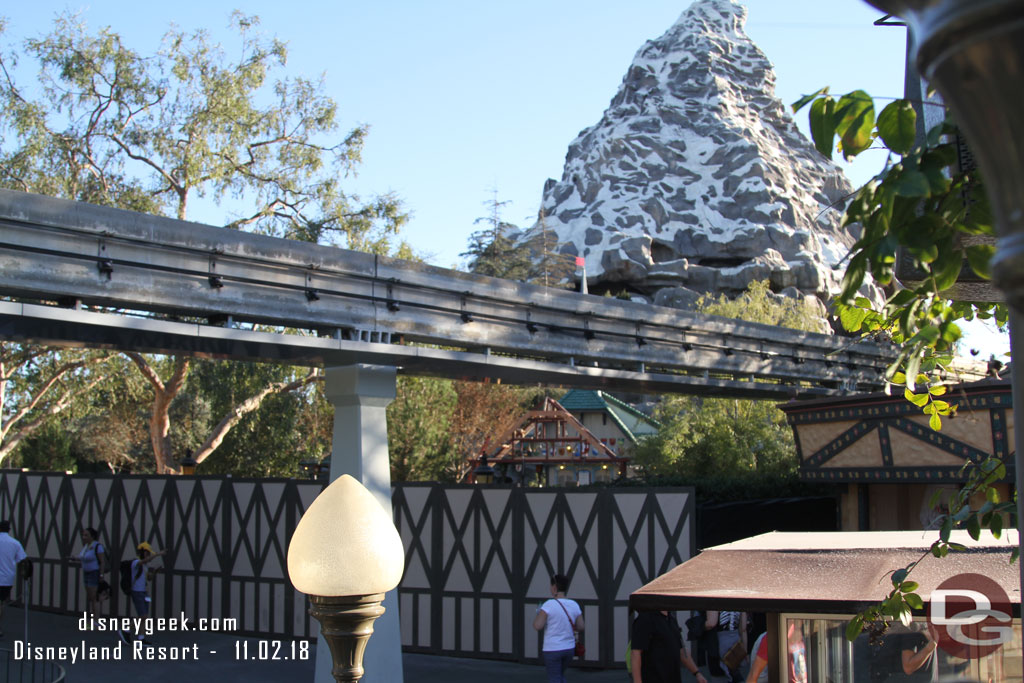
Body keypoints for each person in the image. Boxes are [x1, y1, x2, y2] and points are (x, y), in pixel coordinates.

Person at [631, 609, 707, 683]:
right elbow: (636, 652)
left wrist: (697, 673)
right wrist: (637, 681)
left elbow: (682, 651)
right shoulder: (646, 618)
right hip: (653, 678)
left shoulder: (672, 619)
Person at [533, 573, 584, 683]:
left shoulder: (548, 605)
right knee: (559, 675)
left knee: (554, 678)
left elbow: (537, 626)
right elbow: (581, 626)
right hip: (569, 648)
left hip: (552, 648)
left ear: (554, 587)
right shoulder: (574, 604)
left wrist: (539, 613)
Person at [119, 541, 167, 645]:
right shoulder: (135, 562)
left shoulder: (145, 566)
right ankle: (126, 630)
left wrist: (155, 572)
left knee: (144, 616)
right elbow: (143, 562)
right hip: (137, 592)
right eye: (148, 553)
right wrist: (158, 554)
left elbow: (149, 578)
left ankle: (141, 638)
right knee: (143, 616)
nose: (149, 555)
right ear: (143, 552)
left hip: (144, 592)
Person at [71, 527, 108, 617]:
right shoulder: (86, 546)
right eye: (83, 535)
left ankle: (96, 620)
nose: (84, 537)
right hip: (86, 572)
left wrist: (101, 575)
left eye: (86, 535)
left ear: (92, 536)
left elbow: (102, 561)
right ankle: (94, 618)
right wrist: (75, 558)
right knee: (91, 598)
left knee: (94, 597)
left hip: (93, 573)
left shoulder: (97, 546)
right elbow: (82, 558)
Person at [0, 520, 27, 638]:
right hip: (6, 578)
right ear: (9, 530)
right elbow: (22, 560)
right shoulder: (15, 543)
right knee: (1, 603)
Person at [705, 610, 747, 682]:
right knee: (735, 672)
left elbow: (711, 623)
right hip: (735, 642)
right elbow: (743, 629)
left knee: (719, 675)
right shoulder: (740, 601)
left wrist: (699, 625)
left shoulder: (715, 600)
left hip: (720, 641)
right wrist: (744, 651)